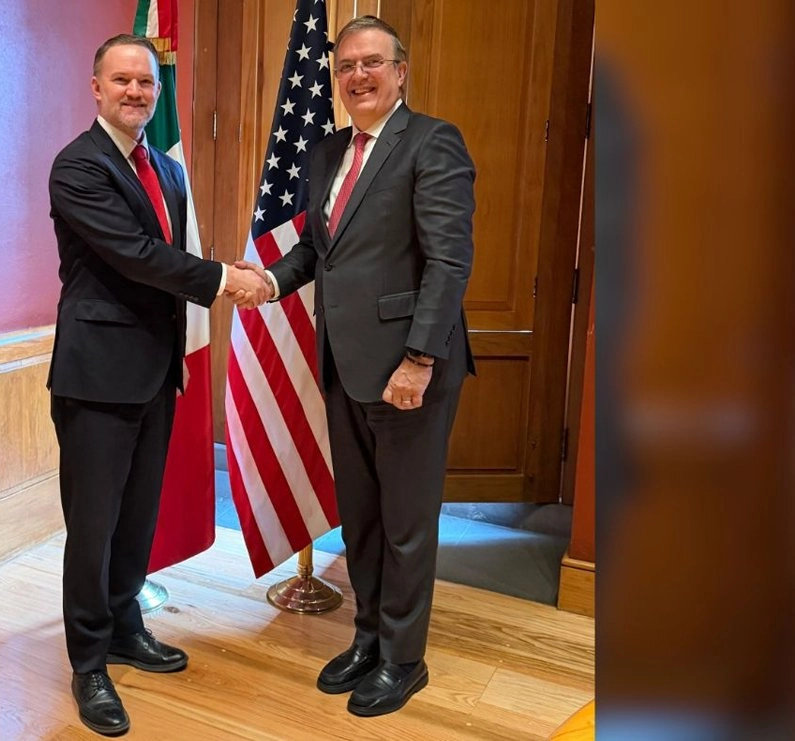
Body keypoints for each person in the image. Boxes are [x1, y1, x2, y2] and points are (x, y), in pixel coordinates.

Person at [235, 16, 476, 717]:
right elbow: (318, 249)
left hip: (408, 371)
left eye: (372, 63)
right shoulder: (325, 153)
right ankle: (368, 638)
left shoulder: (432, 142)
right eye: (346, 66)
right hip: (341, 364)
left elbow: (449, 262)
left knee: (405, 522)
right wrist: (270, 281)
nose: (358, 76)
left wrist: (419, 359)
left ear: (400, 71)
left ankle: (403, 658)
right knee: (363, 518)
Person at [46, 34, 266, 736]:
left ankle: (123, 626)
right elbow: (137, 256)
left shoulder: (166, 170)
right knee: (94, 526)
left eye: (146, 82)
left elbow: (171, 255)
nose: (136, 92)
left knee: (137, 515)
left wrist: (216, 279)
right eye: (122, 80)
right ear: (96, 87)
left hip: (156, 372)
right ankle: (88, 662)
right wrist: (227, 279)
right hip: (96, 377)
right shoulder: (78, 166)